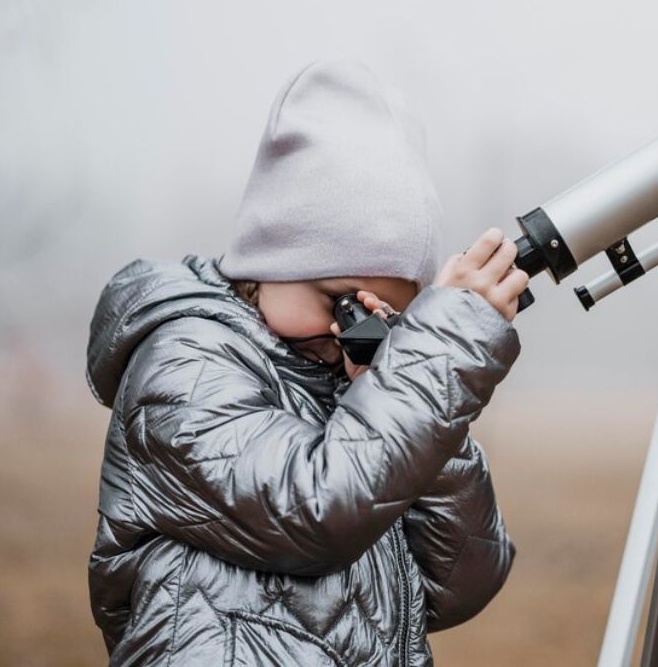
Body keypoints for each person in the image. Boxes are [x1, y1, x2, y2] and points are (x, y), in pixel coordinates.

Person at [85, 59, 529, 666]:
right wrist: (434, 357)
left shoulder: (369, 393)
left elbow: (462, 581)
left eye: (383, 317)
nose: (351, 331)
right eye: (342, 302)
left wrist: (405, 383)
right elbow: (316, 509)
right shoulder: (184, 363)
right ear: (274, 257)